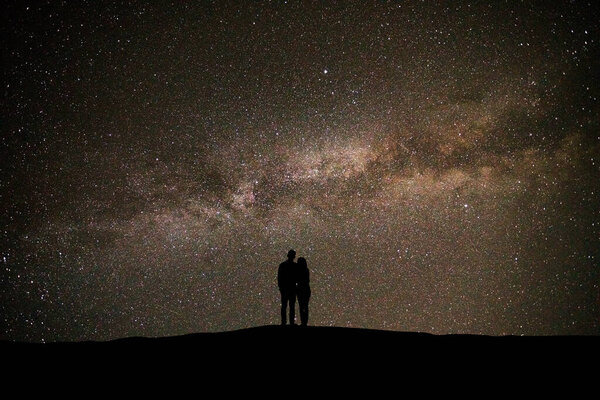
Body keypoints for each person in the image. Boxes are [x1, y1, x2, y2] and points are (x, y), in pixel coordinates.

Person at [278, 249, 298, 325]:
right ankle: (291, 322)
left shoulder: (282, 265)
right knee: (290, 306)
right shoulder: (295, 266)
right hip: (291, 288)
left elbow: (279, 277)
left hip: (286, 288)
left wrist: (280, 287)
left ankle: (284, 322)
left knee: (285, 305)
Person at [296, 257, 311, 327]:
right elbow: (307, 280)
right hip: (306, 289)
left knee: (301, 306)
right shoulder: (306, 270)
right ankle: (304, 322)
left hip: (300, 289)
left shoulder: (298, 271)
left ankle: (303, 322)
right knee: (305, 306)